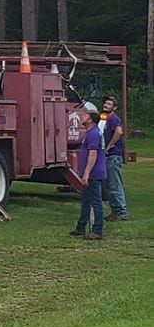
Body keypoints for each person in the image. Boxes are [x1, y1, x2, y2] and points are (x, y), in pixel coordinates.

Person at [72, 102, 106, 238]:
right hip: (90, 173)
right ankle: (81, 227)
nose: (82, 117)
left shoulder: (93, 134)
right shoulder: (90, 133)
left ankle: (97, 230)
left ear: (91, 119)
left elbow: (93, 154)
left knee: (96, 202)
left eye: (85, 115)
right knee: (85, 200)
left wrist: (86, 173)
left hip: (94, 173)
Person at [100, 95, 129, 221]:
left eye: (109, 104)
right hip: (106, 156)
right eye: (105, 103)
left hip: (113, 156)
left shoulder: (113, 118)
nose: (106, 105)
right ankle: (115, 211)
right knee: (108, 186)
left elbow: (119, 131)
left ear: (114, 107)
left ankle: (122, 212)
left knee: (115, 185)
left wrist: (110, 145)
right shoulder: (104, 118)